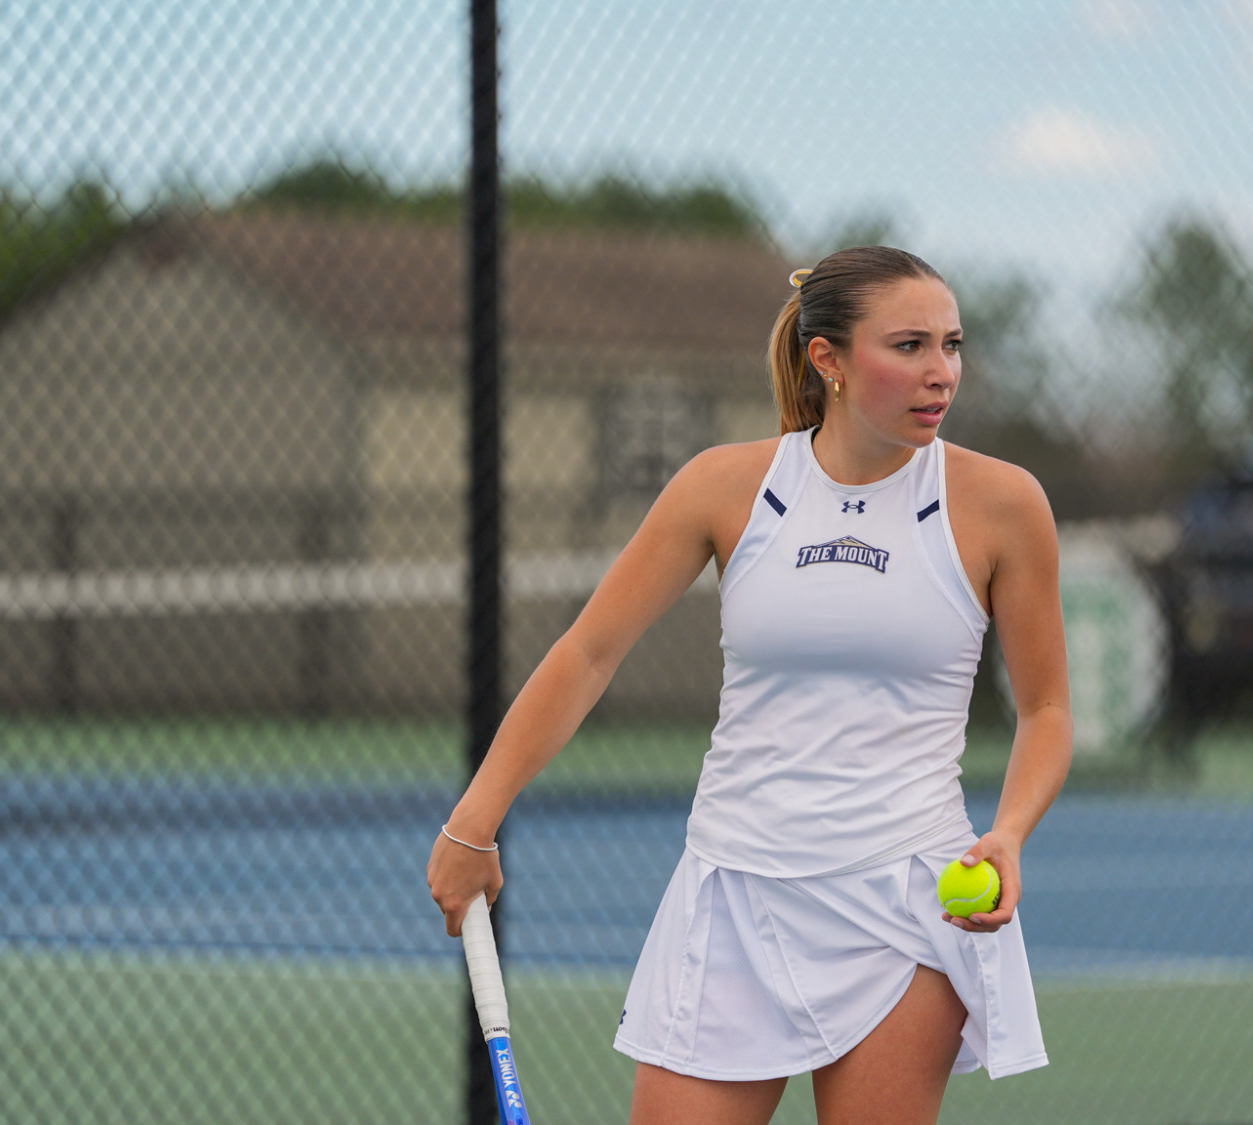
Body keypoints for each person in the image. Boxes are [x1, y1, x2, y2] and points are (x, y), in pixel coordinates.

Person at [428, 245, 1072, 1125]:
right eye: (911, 346)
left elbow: (1045, 709)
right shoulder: (724, 486)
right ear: (828, 360)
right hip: (730, 893)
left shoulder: (1003, 503)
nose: (941, 373)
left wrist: (1010, 832)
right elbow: (588, 653)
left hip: (906, 900)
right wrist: (474, 820)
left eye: (952, 345)